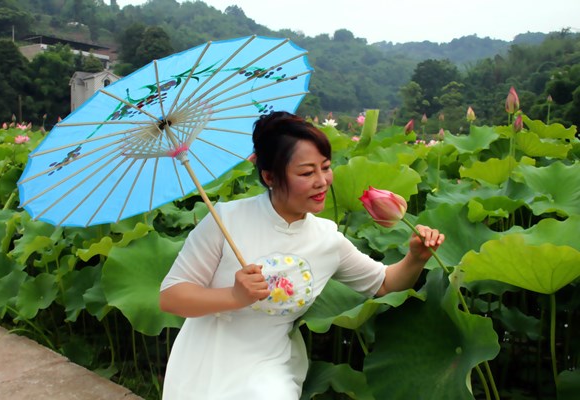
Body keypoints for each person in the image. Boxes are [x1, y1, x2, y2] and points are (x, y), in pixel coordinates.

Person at [159, 111, 445, 400]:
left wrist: (416, 257)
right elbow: (171, 296)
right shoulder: (224, 221)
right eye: (307, 173)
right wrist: (234, 297)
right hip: (205, 360)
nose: (322, 181)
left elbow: (384, 283)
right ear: (270, 176)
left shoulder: (327, 239)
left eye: (326, 167)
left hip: (268, 367)